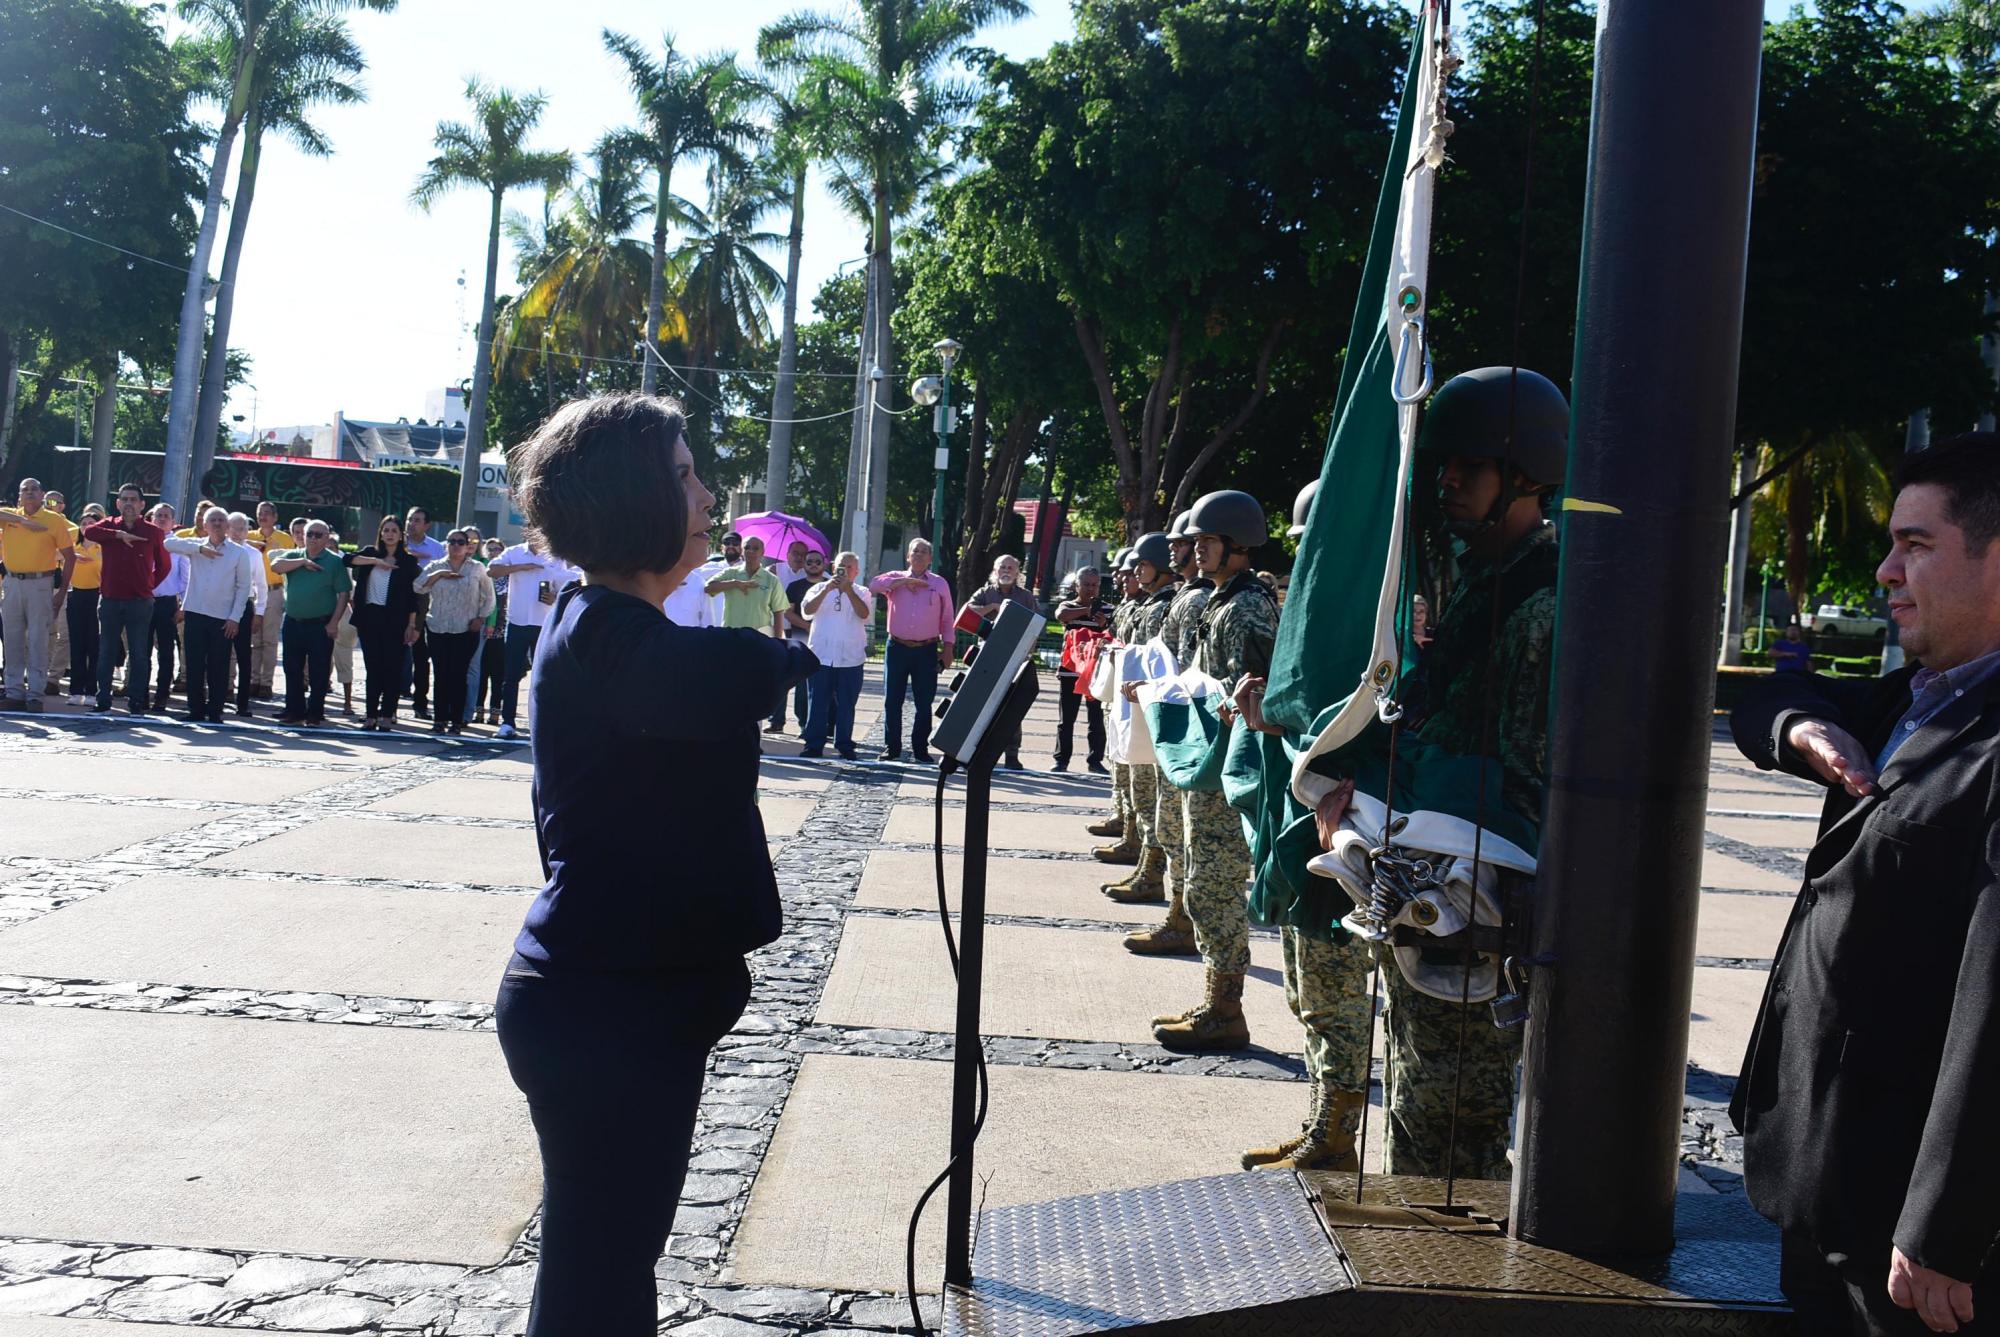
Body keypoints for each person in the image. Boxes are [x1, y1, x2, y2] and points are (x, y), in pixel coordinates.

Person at [497, 393, 816, 1336]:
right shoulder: (602, 624)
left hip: (616, 1007)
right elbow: (724, 672)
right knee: (596, 1283)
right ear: (634, 496)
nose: (709, 496)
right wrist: (784, 655)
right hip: (602, 1013)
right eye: (685, 473)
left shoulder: (609, 623)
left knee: (604, 1270)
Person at [1731, 432, 2000, 1336]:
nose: (1886, 571)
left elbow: (1993, 1004)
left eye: (1916, 546)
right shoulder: (1912, 696)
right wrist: (1805, 727)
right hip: (1827, 1185)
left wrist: (1942, 1229)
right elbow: (1759, 702)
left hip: (1910, 1241)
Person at [1326, 364, 1565, 1177]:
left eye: (1471, 464)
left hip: (1485, 913)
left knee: (1453, 1149)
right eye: (1444, 464)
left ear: (1528, 473)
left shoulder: (1543, 605)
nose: (1448, 480)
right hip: (1438, 893)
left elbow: (1529, 786)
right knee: (1425, 1125)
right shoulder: (1487, 587)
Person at [1150, 491, 1277, 1054]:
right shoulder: (1219, 601)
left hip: (1232, 765)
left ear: (1237, 545)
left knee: (1217, 885)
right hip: (1209, 761)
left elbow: (1269, 685)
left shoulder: (1248, 606)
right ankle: (1217, 999)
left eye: (1207, 541)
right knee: (1203, 881)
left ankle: (1226, 1008)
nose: (1196, 549)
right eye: (1196, 541)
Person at [1124, 511, 1211, 958]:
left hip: (1186, 726)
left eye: (1189, 543)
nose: (1183, 550)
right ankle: (1171, 902)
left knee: (1178, 829)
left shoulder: (1195, 600)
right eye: (1179, 544)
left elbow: (1187, 670)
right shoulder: (1190, 597)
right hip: (1169, 716)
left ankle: (1179, 916)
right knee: (1165, 820)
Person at [1104, 533, 1182, 903]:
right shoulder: (1152, 604)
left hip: (1153, 708)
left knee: (1153, 798)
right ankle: (1143, 860)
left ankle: (1151, 871)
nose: (1133, 572)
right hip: (1139, 706)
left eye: (1141, 565)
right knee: (1141, 790)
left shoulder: (1165, 605)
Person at [162, 506, 255, 724]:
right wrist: (199, 550)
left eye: (221, 520)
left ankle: (215, 711)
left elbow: (243, 587)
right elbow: (168, 544)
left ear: (227, 525)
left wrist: (235, 617)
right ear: (204, 525)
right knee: (194, 664)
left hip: (222, 617)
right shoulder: (196, 545)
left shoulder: (238, 552)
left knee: (219, 665)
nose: (216, 524)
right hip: (195, 613)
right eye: (212, 520)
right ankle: (195, 709)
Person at [868, 538, 955, 763]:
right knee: (892, 700)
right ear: (908, 556)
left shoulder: (939, 583)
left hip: (926, 649)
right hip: (897, 647)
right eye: (915, 551)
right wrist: (902, 582)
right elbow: (873, 586)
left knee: (924, 702)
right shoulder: (895, 578)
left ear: (930, 558)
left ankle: (920, 749)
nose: (919, 555)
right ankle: (892, 748)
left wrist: (948, 647)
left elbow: (947, 618)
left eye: (924, 552)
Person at [85, 484, 169, 714]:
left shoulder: (153, 531)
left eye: (134, 499)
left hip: (139, 601)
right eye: (125, 499)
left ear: (143, 505)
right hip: (111, 599)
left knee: (139, 652)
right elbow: (88, 532)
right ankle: (103, 699)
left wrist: (149, 586)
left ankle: (136, 700)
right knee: (106, 651)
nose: (129, 503)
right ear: (118, 503)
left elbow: (164, 565)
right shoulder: (108, 525)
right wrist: (118, 535)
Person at [488, 537, 577, 740]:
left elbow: (565, 586)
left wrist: (554, 598)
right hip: (517, 622)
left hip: (543, 624)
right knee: (510, 676)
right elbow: (492, 570)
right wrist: (522, 567)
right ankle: (507, 722)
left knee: (544, 677)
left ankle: (543, 723)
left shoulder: (555, 556)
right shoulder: (514, 552)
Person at [0, 478, 76, 711]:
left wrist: (61, 592)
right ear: (19, 496)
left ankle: (35, 694)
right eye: (25, 489)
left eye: (34, 489)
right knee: (12, 640)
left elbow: (70, 557)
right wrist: (23, 521)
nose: (30, 492)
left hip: (41, 583)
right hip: (12, 582)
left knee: (37, 640)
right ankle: (14, 692)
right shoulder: (8, 516)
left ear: (43, 494)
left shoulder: (54, 521)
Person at [959, 554, 1040, 768]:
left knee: (1011, 708)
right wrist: (993, 607)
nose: (1006, 571)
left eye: (1010, 568)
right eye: (1002, 567)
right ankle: (975, 751)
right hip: (987, 659)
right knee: (981, 707)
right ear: (995, 570)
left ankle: (1011, 755)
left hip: (1015, 659)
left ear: (1017, 572)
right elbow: (967, 611)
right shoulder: (985, 593)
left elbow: (1037, 624)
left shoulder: (1025, 596)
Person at [269, 521, 353, 726]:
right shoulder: (294, 556)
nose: (313, 538)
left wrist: (334, 622)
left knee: (319, 670)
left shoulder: (334, 561)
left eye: (318, 535)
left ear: (326, 538)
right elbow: (275, 565)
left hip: (321, 624)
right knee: (292, 668)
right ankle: (294, 710)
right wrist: (302, 563)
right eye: (309, 534)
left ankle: (315, 712)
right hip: (294, 622)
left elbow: (343, 593)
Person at [414, 529, 495, 735]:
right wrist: (437, 575)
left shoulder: (477, 568)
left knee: (459, 675)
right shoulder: (436, 566)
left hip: (466, 628)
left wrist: (480, 618)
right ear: (446, 544)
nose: (456, 545)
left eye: (460, 542)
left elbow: (489, 597)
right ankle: (440, 719)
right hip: (438, 627)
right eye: (452, 541)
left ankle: (457, 720)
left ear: (468, 546)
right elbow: (418, 587)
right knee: (441, 674)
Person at [345, 515, 422, 730]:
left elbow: (411, 597)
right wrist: (376, 561)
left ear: (400, 536)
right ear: (380, 533)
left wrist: (411, 624)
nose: (389, 534)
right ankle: (370, 715)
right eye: (386, 530)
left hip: (395, 619)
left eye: (394, 531)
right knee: (373, 668)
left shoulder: (407, 561)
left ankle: (387, 714)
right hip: (369, 617)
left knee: (392, 668)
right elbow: (347, 559)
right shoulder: (370, 553)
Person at [1093, 550, 1146, 863]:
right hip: (1123, 696)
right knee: (1121, 767)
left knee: (1138, 780)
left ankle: (1135, 840)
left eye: (1128, 572)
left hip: (1138, 701)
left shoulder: (1155, 606)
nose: (1122, 578)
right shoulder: (1133, 605)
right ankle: (1125, 823)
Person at [799, 550, 873, 759]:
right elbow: (807, 612)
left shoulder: (862, 591)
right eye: (841, 566)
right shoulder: (818, 589)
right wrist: (827, 590)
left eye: (850, 567)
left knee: (847, 705)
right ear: (833, 568)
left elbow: (864, 614)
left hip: (850, 658)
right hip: (821, 655)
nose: (845, 570)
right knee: (818, 702)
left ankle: (844, 744)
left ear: (856, 572)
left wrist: (848, 591)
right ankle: (813, 744)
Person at [1052, 567, 1112, 774]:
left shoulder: (1107, 609)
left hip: (1095, 674)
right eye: (1086, 584)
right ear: (1077, 586)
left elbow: (1114, 633)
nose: (1090, 589)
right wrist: (1085, 611)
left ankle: (1095, 760)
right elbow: (1061, 615)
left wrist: (1104, 623)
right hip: (1070, 672)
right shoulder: (1068, 605)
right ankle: (1061, 760)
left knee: (1096, 719)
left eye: (1094, 585)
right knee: (1066, 719)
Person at [774, 546, 822, 734]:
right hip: (799, 640)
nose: (812, 565)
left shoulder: (830, 584)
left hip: (823, 643)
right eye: (809, 562)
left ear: (824, 563)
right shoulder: (795, 586)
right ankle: (790, 721)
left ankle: (813, 724)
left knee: (816, 685)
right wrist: (807, 626)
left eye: (817, 562)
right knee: (794, 681)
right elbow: (787, 612)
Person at [404, 506, 445, 718]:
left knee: (421, 658)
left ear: (427, 525)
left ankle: (420, 703)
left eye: (417, 520)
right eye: (410, 519)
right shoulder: (395, 543)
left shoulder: (437, 549)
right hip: (398, 605)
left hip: (424, 605)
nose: (412, 523)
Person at [223, 513, 266, 718]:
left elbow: (261, 586)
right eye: (234, 527)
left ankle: (243, 703)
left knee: (244, 656)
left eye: (243, 528)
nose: (238, 532)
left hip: (246, 606)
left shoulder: (254, 554)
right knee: (219, 655)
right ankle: (219, 697)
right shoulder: (220, 550)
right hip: (221, 606)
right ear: (227, 528)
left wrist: (259, 612)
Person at [146, 503, 188, 711]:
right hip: (144, 602)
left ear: (173, 521)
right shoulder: (144, 540)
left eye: (166, 516)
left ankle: (162, 694)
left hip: (168, 603)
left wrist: (183, 607)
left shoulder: (178, 545)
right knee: (141, 650)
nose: (161, 519)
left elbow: (186, 580)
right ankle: (140, 692)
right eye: (158, 515)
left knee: (166, 650)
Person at [64, 503, 106, 706]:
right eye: (84, 523)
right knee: (77, 645)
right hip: (76, 596)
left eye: (91, 523)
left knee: (94, 646)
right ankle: (75, 690)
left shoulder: (103, 547)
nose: (87, 526)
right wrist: (71, 556)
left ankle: (92, 690)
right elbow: (55, 556)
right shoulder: (73, 546)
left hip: (96, 597)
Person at [245, 501, 287, 699]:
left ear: (275, 517)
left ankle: (266, 682)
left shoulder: (284, 539)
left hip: (274, 591)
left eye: (268, 513)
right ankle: (253, 680)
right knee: (254, 639)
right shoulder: (249, 536)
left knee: (269, 639)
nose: (263, 517)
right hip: (252, 592)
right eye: (260, 513)